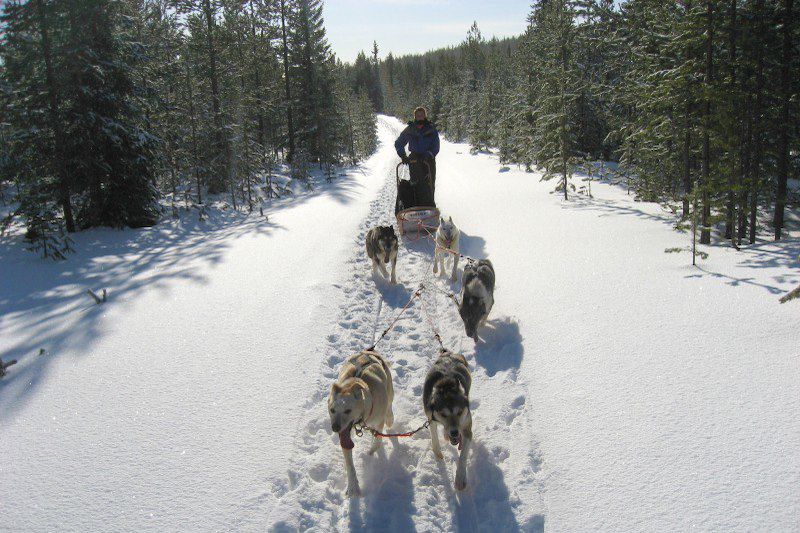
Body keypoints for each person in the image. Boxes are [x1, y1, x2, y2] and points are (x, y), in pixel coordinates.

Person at [395, 107, 440, 205]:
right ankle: (417, 206)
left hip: (428, 159)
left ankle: (430, 205)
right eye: (418, 115)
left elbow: (436, 146)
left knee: (429, 183)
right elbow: (399, 142)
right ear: (415, 116)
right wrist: (403, 155)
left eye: (422, 115)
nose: (420, 117)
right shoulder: (410, 129)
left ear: (425, 115)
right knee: (415, 183)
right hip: (414, 160)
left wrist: (429, 155)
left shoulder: (431, 129)